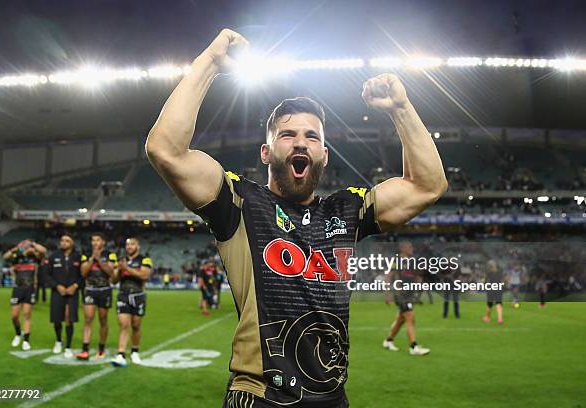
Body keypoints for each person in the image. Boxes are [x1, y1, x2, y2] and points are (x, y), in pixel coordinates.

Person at [146, 29, 447, 407]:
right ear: (266, 152)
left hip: (332, 398)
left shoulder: (347, 210)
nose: (300, 142)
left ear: (324, 153)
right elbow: (165, 150)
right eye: (287, 135)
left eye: (311, 136)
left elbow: (427, 185)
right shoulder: (240, 203)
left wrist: (401, 109)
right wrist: (210, 64)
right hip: (259, 396)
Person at [382, 241, 431, 355]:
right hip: (400, 294)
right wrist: (387, 293)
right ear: (403, 248)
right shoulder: (396, 260)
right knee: (410, 316)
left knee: (401, 319)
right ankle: (413, 346)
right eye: (409, 247)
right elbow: (389, 276)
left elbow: (418, 276)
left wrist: (420, 288)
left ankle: (389, 340)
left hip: (410, 294)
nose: (412, 248)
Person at [111, 237, 152, 367]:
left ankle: (135, 351)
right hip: (123, 295)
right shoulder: (121, 260)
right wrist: (117, 270)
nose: (129, 246)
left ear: (138, 246)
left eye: (132, 244)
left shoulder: (144, 259)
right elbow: (114, 281)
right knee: (124, 325)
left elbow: (144, 275)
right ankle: (121, 354)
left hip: (138, 296)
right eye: (127, 244)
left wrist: (126, 268)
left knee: (136, 326)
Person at [76, 233, 117, 361]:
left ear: (103, 242)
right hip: (90, 289)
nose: (95, 243)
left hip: (105, 290)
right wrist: (92, 259)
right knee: (88, 319)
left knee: (103, 320)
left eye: (98, 240)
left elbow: (111, 272)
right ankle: (85, 349)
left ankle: (101, 348)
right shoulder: (85, 254)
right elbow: (83, 272)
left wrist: (99, 260)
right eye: (93, 240)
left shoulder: (110, 254)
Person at [44, 234, 82, 358]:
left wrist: (75, 286)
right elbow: (47, 275)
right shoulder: (53, 256)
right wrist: (57, 286)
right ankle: (59, 340)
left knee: (69, 318)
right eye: (62, 240)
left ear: (72, 243)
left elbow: (83, 275)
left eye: (67, 241)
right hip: (57, 291)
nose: (63, 243)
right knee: (56, 319)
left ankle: (68, 346)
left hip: (72, 292)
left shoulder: (78, 257)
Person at [3, 239, 47, 351]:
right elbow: (5, 256)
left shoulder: (35, 258)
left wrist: (32, 244)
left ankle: (26, 340)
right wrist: (17, 248)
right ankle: (18, 334)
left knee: (27, 314)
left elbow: (44, 250)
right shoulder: (16, 257)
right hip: (17, 289)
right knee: (14, 316)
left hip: (30, 289)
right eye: (25, 246)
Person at [483, 260, 504, 324]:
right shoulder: (500, 272)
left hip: (491, 289)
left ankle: (487, 318)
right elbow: (503, 280)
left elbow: (485, 282)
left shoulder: (488, 273)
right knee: (498, 304)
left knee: (489, 304)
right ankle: (500, 319)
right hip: (499, 289)